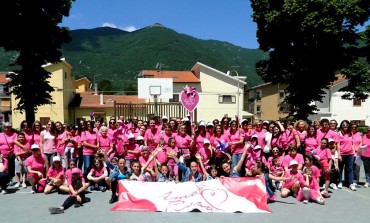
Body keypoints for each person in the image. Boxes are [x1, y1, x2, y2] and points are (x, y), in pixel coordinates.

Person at [337, 120, 356, 191]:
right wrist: (339, 155)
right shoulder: (338, 134)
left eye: (347, 125)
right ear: (341, 125)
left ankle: (350, 183)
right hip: (342, 153)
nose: (345, 126)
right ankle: (340, 182)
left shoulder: (350, 133)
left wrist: (354, 152)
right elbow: (337, 145)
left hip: (350, 154)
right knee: (340, 168)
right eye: (343, 125)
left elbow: (352, 143)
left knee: (350, 169)